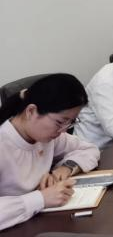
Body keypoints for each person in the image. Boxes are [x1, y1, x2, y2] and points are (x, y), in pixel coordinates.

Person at [0, 74, 100, 230]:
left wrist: (66, 168)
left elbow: (89, 149)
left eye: (71, 122)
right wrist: (41, 199)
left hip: (37, 223)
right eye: (60, 122)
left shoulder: (46, 136)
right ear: (31, 111)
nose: (63, 130)